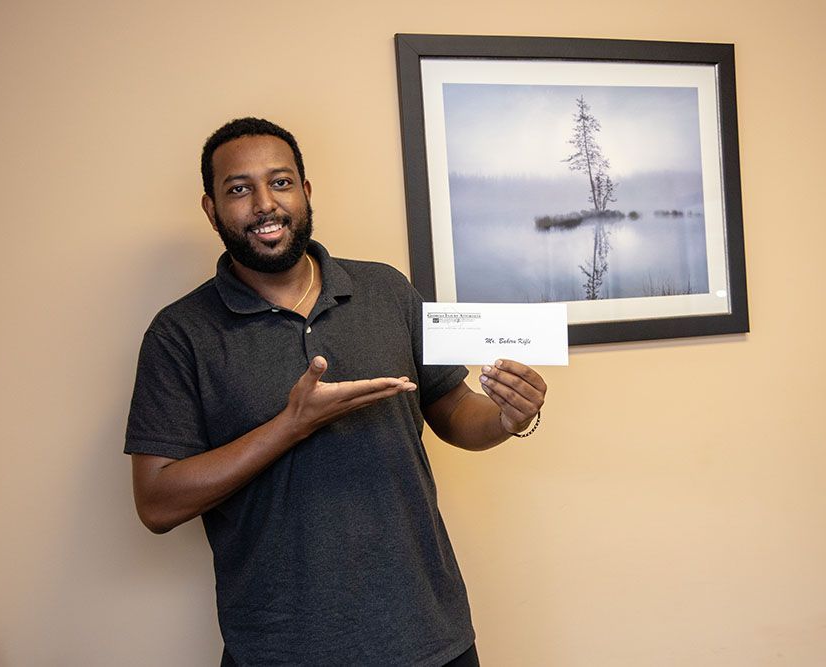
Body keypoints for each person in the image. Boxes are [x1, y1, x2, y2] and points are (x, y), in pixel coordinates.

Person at [125, 117, 546, 666]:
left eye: (279, 182)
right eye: (238, 189)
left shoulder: (386, 290)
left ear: (305, 190)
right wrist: (290, 425)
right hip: (281, 649)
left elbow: (456, 410)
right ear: (211, 208)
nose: (263, 204)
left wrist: (508, 417)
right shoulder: (180, 333)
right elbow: (156, 503)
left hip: (429, 636)